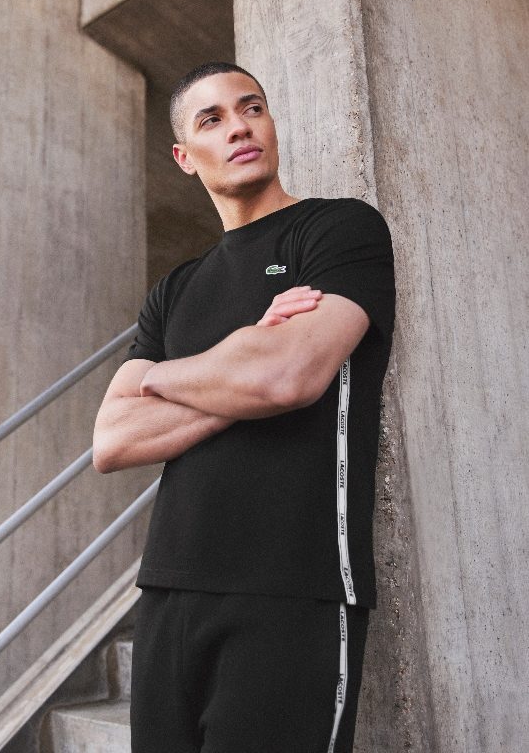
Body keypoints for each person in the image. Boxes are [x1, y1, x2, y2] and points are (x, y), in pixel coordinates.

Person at [92, 61, 395, 753]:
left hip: (293, 586)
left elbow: (287, 378)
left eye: (250, 108)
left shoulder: (337, 230)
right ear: (184, 157)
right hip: (168, 591)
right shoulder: (175, 289)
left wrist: (163, 378)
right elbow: (112, 439)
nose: (238, 127)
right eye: (213, 119)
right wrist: (245, 350)